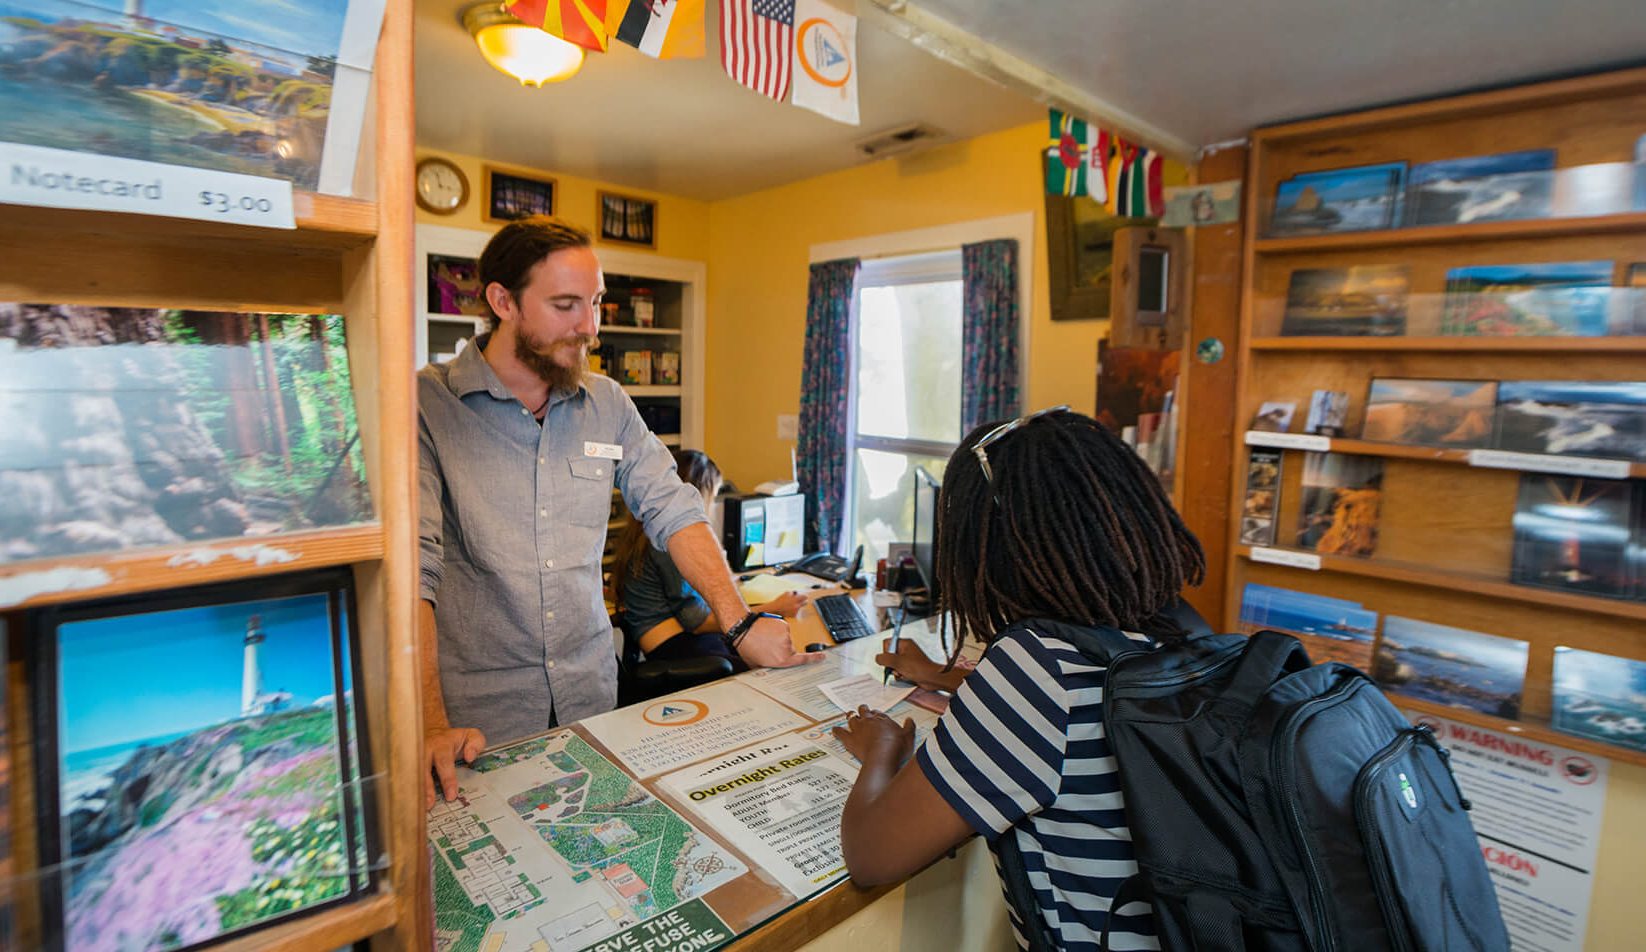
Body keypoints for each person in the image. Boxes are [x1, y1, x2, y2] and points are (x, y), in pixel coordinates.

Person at [418, 215, 821, 802]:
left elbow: (675, 509)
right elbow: (414, 573)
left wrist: (738, 623)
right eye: (565, 305)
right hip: (478, 721)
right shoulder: (428, 404)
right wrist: (429, 722)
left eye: (597, 302)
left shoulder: (607, 402)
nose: (590, 327)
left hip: (591, 697)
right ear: (502, 301)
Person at [832, 408, 1207, 951]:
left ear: (985, 545)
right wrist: (944, 677)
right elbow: (1085, 715)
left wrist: (882, 751)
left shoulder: (1035, 667)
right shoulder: (1180, 630)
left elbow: (870, 855)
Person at [609, 448, 808, 663]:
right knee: (761, 662)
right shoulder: (670, 540)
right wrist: (775, 608)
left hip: (677, 634)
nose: (711, 507)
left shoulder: (647, 531)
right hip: (674, 644)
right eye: (712, 498)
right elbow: (697, 622)